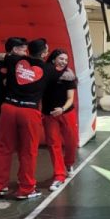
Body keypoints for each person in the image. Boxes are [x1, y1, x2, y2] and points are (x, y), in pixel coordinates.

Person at [0, 38, 54, 199]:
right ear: (44, 53)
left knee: (4, 149)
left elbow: (0, 56)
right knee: (28, 152)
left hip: (8, 108)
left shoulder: (15, 60)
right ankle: (26, 189)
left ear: (28, 51)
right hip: (29, 110)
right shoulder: (48, 69)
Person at [41, 49, 77, 189]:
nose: (64, 61)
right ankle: (59, 175)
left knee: (71, 142)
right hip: (49, 115)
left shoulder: (68, 76)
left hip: (66, 113)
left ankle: (68, 163)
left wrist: (62, 109)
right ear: (54, 58)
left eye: (66, 60)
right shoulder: (44, 72)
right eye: (61, 58)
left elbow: (70, 98)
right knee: (53, 144)